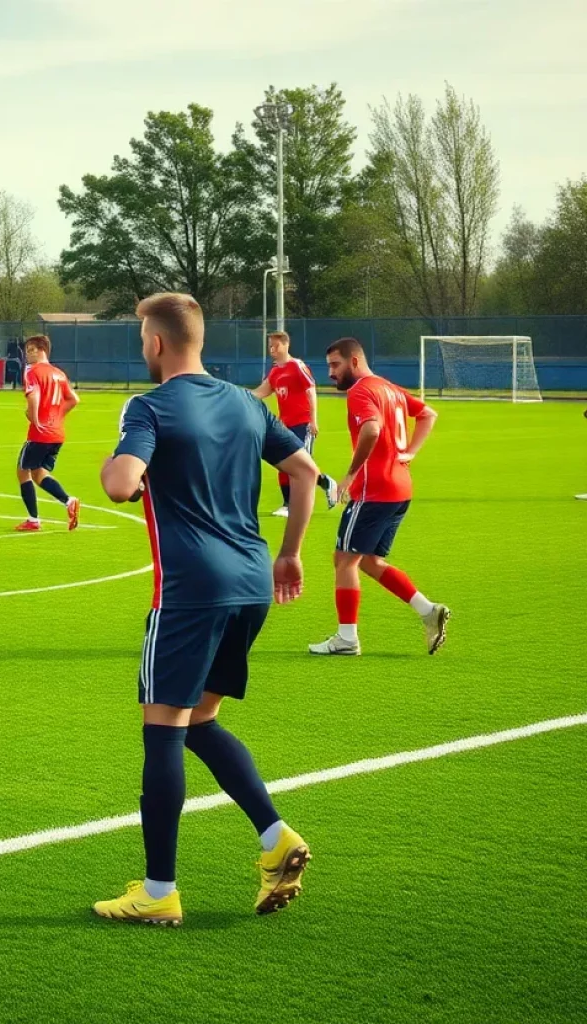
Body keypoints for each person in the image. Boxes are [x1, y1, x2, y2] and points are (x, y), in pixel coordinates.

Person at [93, 292, 320, 927]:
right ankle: (275, 839)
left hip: (191, 590)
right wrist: (291, 554)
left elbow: (119, 484)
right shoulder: (248, 403)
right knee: (199, 724)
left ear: (158, 343)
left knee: (162, 730)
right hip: (251, 582)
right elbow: (306, 474)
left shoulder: (150, 406)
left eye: (143, 336)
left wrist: (117, 462)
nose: (143, 347)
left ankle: (159, 891)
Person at [309, 337, 449, 657]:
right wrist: (409, 452)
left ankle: (346, 639)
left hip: (374, 491)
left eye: (335, 365)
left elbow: (371, 429)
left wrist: (350, 474)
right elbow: (428, 413)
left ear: (354, 362)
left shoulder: (361, 391)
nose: (330, 372)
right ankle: (428, 611)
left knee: (344, 559)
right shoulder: (390, 387)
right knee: (369, 561)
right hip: (400, 488)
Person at [252, 331, 337, 515]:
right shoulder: (275, 371)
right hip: (284, 425)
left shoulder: (297, 366)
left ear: (286, 345)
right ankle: (288, 503)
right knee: (283, 463)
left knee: (301, 465)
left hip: (302, 423)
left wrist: (313, 420)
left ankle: (317, 490)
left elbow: (311, 390)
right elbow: (263, 391)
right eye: (270, 346)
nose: (272, 350)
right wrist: (241, 396)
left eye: (276, 346)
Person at [15, 335, 80, 532]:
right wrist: (57, 416)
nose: (27, 355)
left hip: (40, 433)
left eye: (30, 350)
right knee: (39, 472)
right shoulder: (59, 374)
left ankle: (34, 520)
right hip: (57, 433)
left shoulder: (33, 372)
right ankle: (69, 501)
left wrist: (34, 418)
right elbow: (74, 399)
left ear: (40, 350)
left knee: (22, 470)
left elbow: (33, 397)